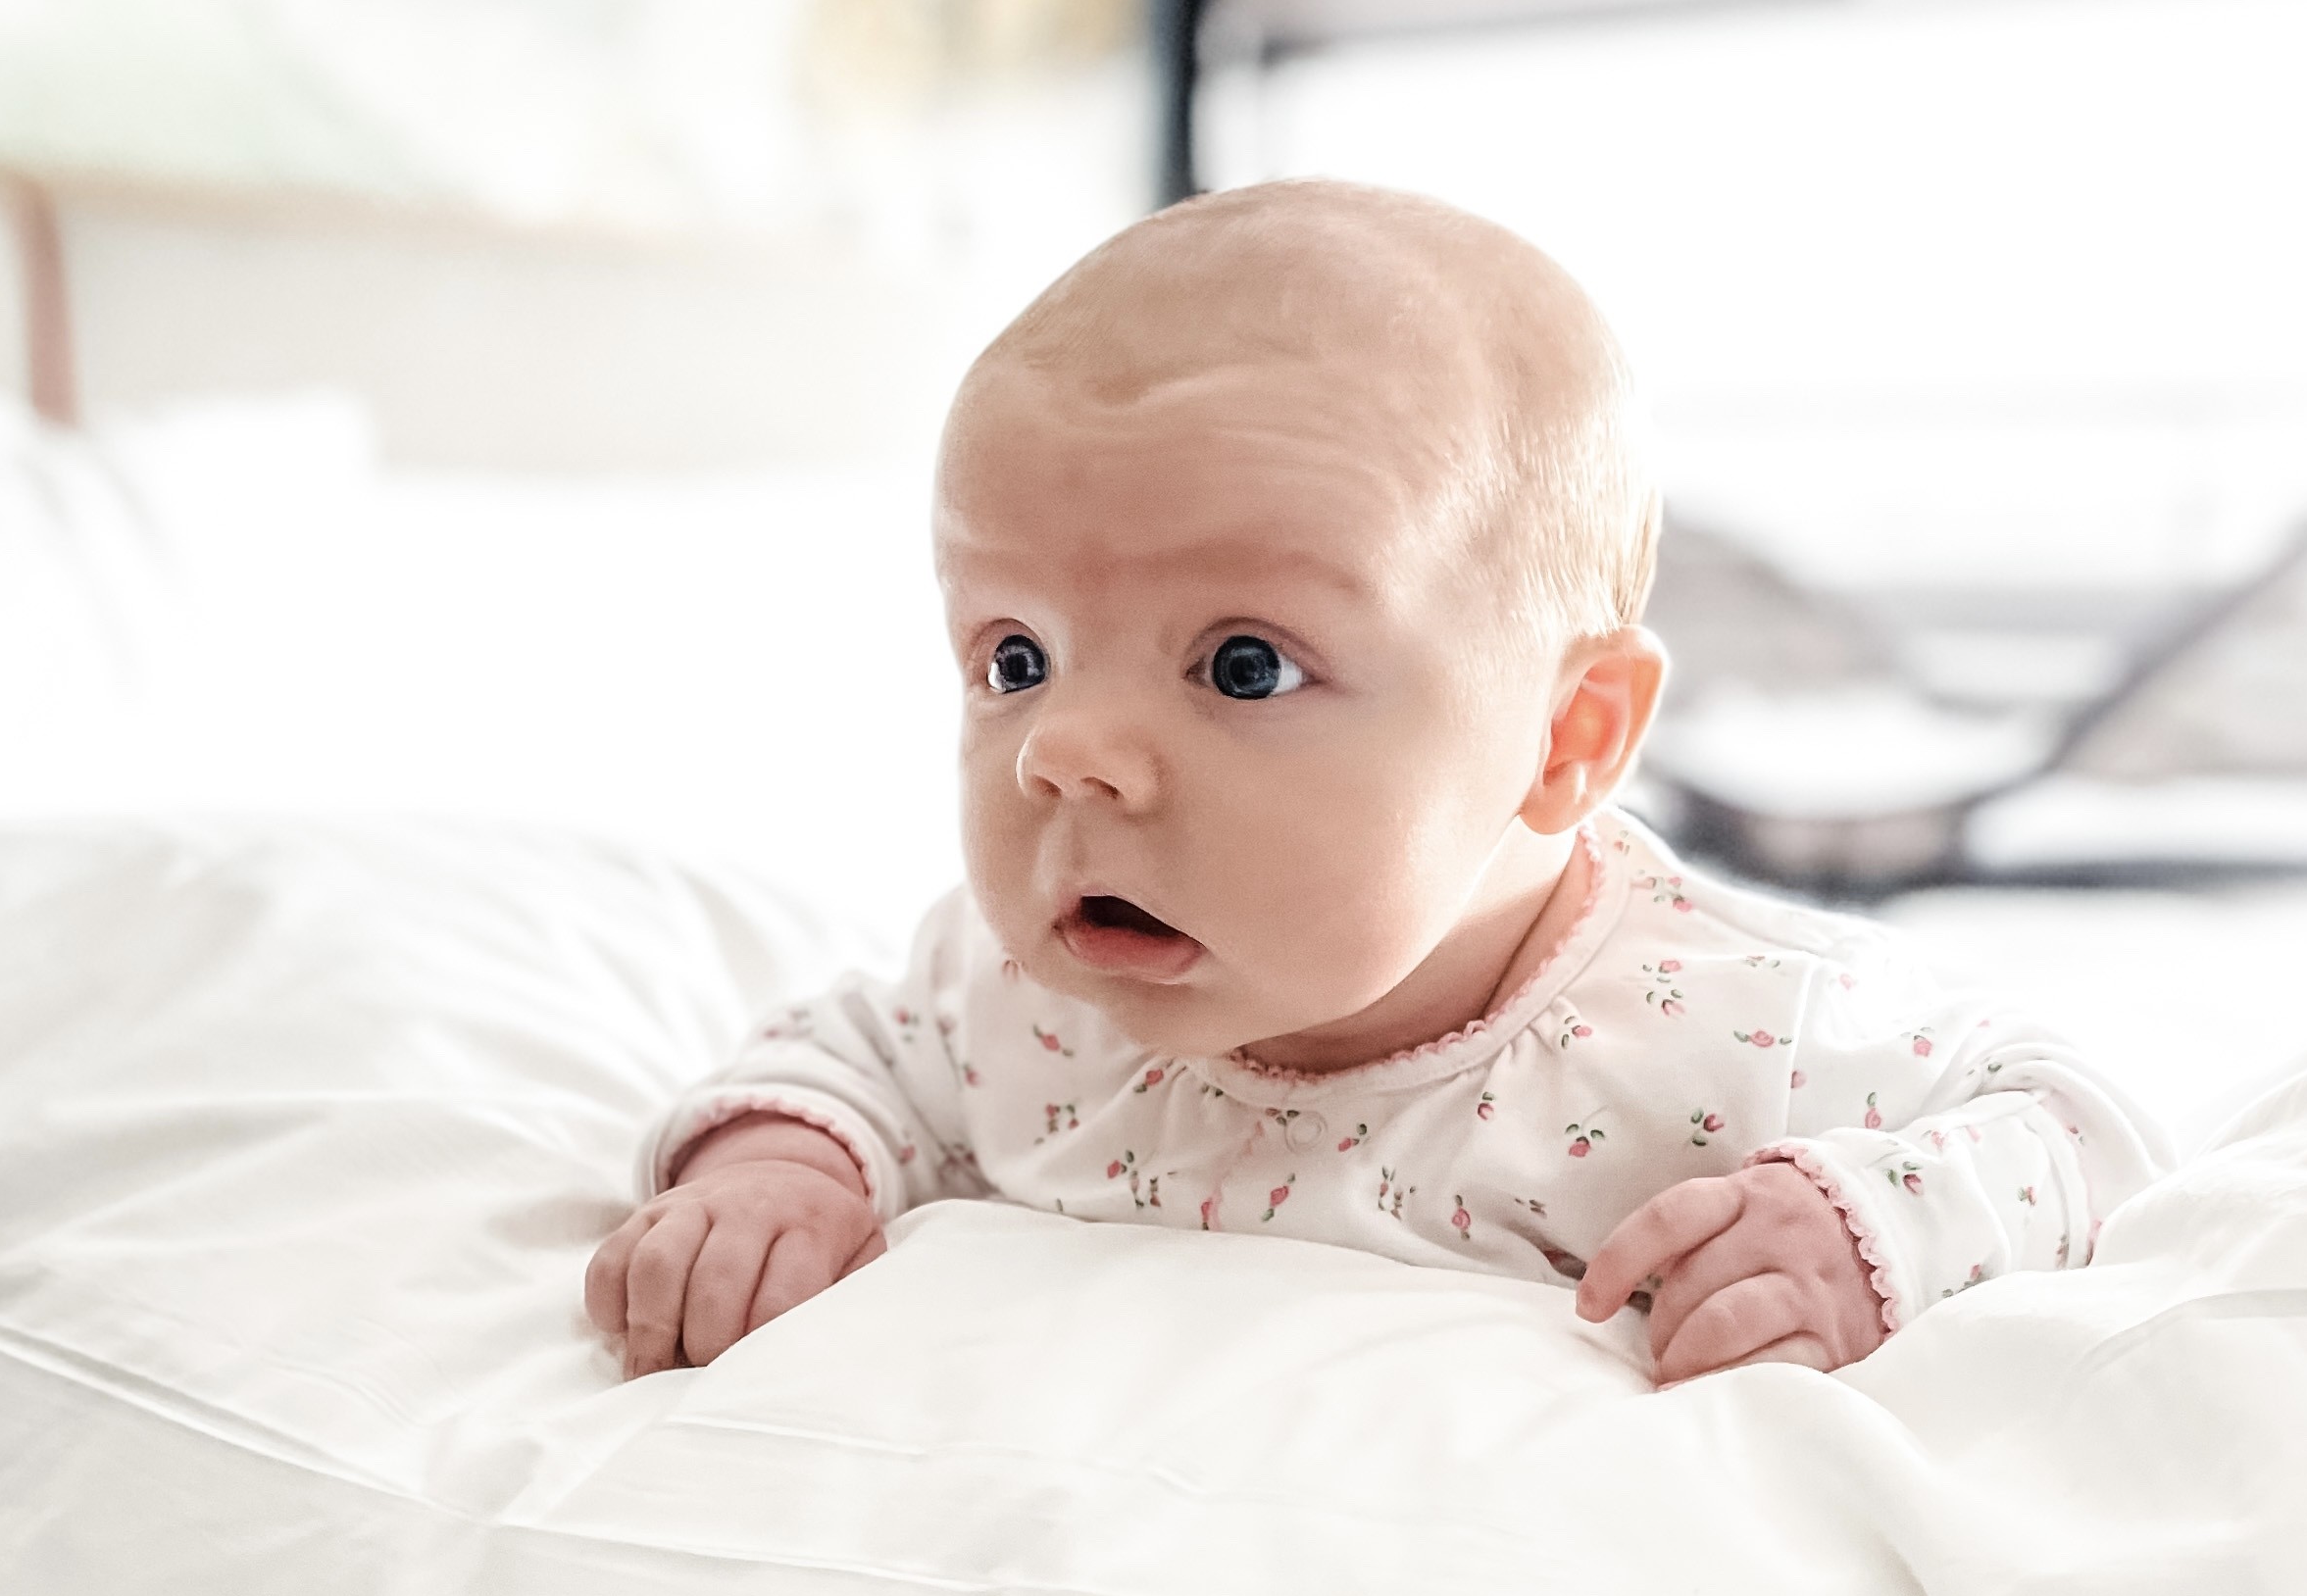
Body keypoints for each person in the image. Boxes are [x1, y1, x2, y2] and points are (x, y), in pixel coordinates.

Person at [588, 179, 2158, 1383]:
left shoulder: (1734, 1034)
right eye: (1015, 658)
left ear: (1568, 743)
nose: (1063, 752)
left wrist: (1864, 1228)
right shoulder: (1018, 995)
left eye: (1243, 665)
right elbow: (858, 1049)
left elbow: (2089, 1125)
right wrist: (784, 1161)